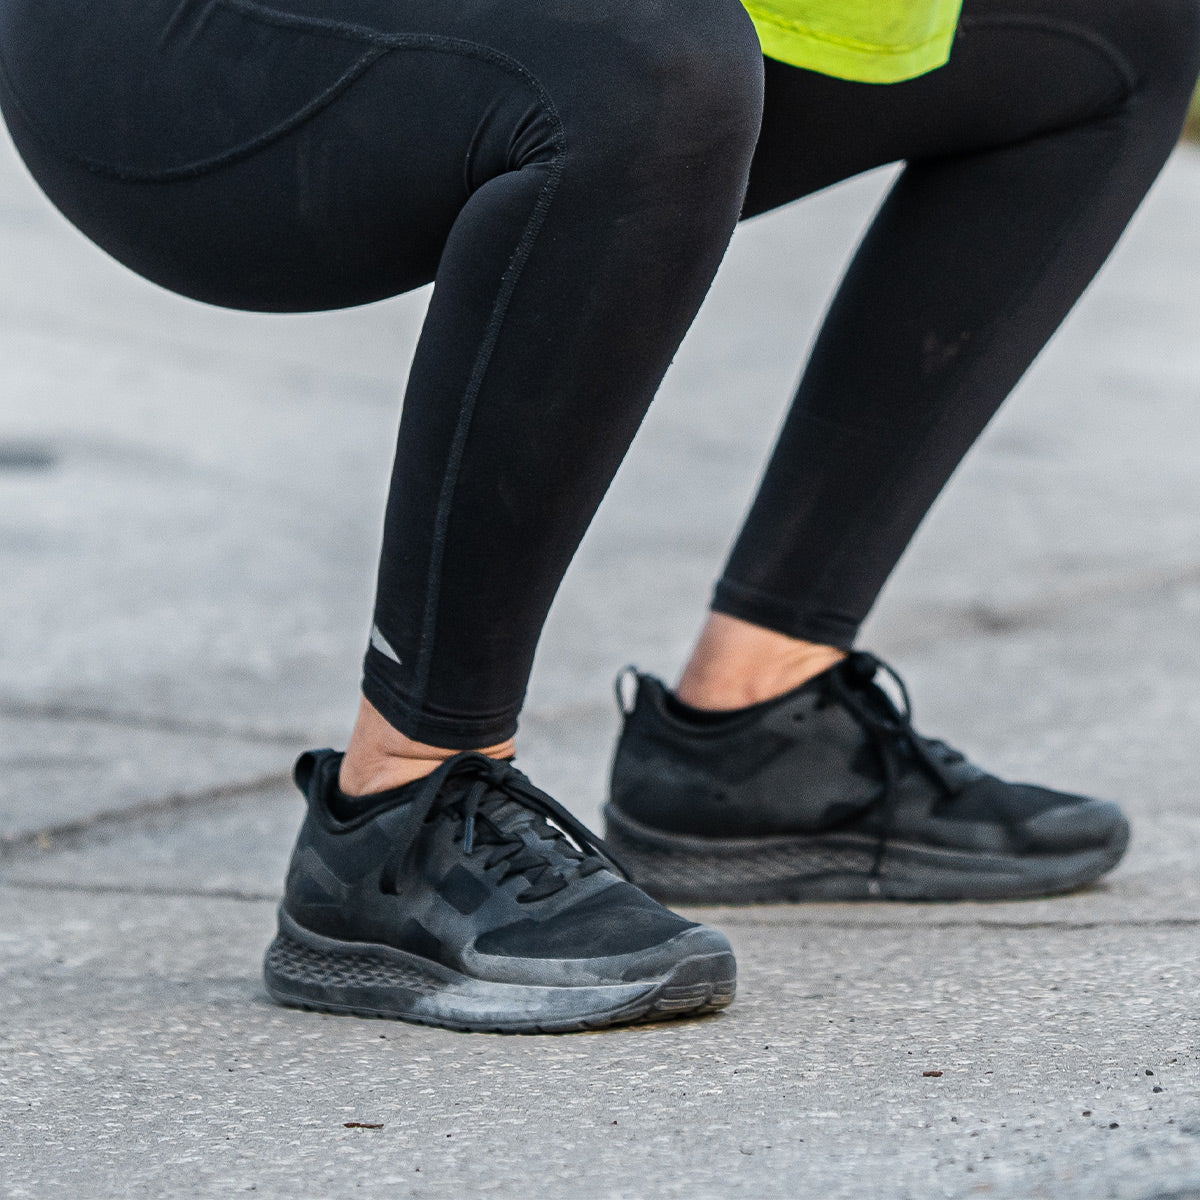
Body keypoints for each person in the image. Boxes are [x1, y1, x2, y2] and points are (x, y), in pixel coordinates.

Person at [1, 0, 1197, 1033]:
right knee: (647, 61)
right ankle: (400, 810)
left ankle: (759, 728)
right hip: (169, 48)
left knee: (1113, 33)